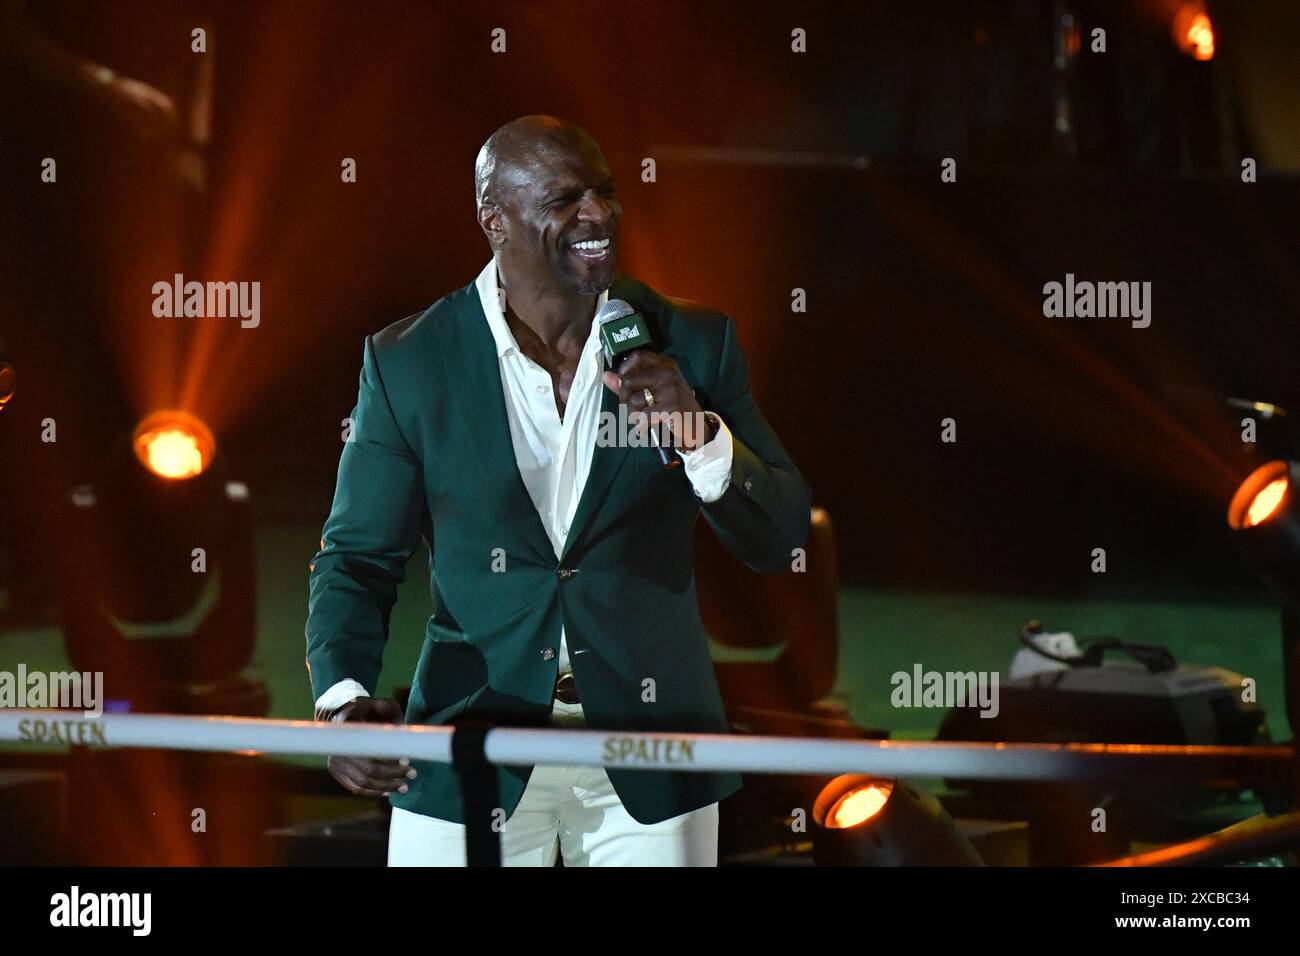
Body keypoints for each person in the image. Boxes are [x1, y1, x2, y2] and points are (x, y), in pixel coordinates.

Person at [306, 115, 810, 866]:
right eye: (565, 199)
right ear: (494, 221)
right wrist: (343, 703)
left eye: (604, 193)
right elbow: (357, 558)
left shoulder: (692, 344)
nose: (597, 216)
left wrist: (697, 434)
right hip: (470, 741)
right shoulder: (411, 361)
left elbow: (781, 537)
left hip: (652, 749)